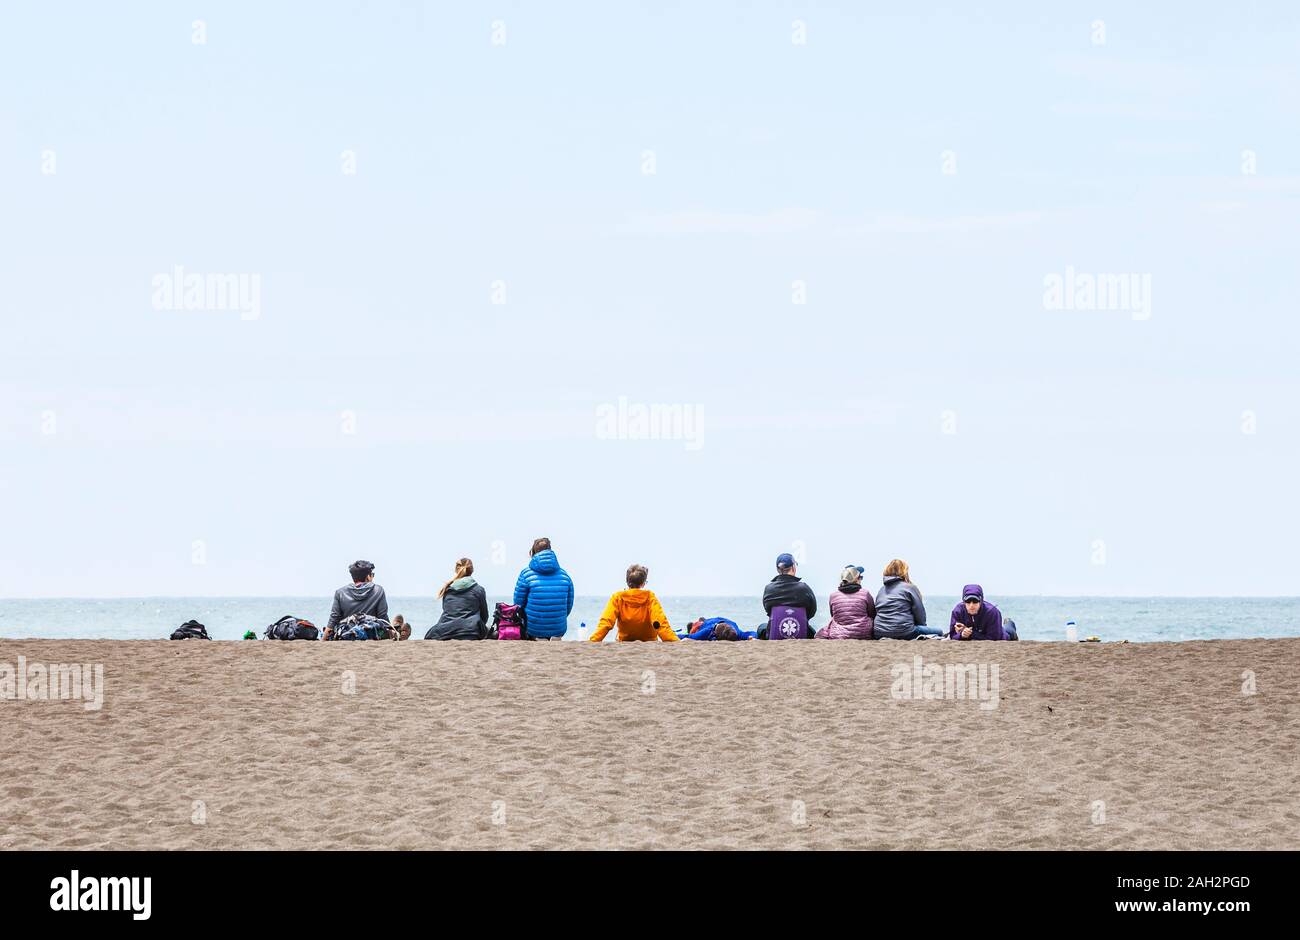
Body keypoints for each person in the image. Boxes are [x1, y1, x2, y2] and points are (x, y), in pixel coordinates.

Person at [588, 564, 679, 642]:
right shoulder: (650, 597)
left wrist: (593, 640)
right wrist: (674, 641)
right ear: (643, 583)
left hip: (624, 640)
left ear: (627, 582)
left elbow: (606, 622)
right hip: (649, 640)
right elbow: (660, 623)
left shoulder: (617, 597)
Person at [512, 537, 574, 640]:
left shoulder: (526, 574)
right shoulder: (565, 576)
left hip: (533, 628)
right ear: (550, 550)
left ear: (533, 552)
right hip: (558, 628)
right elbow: (568, 605)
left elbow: (518, 604)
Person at [872, 559, 941, 639]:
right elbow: (920, 614)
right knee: (939, 631)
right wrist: (922, 627)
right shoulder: (910, 588)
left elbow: (877, 611)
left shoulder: (881, 590)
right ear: (904, 572)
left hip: (879, 632)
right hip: (904, 631)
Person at [425, 558, 489, 640]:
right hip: (471, 630)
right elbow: (484, 616)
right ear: (472, 570)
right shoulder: (479, 590)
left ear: (456, 570)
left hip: (445, 631)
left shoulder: (447, 589)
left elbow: (448, 612)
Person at [758, 552, 818, 638]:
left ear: (777, 569)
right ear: (793, 567)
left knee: (761, 628)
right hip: (800, 630)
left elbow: (768, 611)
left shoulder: (769, 589)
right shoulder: (804, 588)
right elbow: (812, 611)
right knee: (813, 631)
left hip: (775, 631)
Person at [326, 560, 389, 634]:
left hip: (347, 634)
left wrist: (323, 640)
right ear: (368, 577)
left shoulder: (340, 592)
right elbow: (383, 617)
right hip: (371, 633)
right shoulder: (378, 590)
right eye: (372, 574)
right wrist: (391, 631)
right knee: (397, 624)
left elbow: (333, 620)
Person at [815, 564, 876, 639]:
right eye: (860, 577)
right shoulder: (865, 594)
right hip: (862, 633)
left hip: (838, 634)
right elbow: (872, 613)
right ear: (856, 579)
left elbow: (833, 615)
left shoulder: (833, 596)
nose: (861, 580)